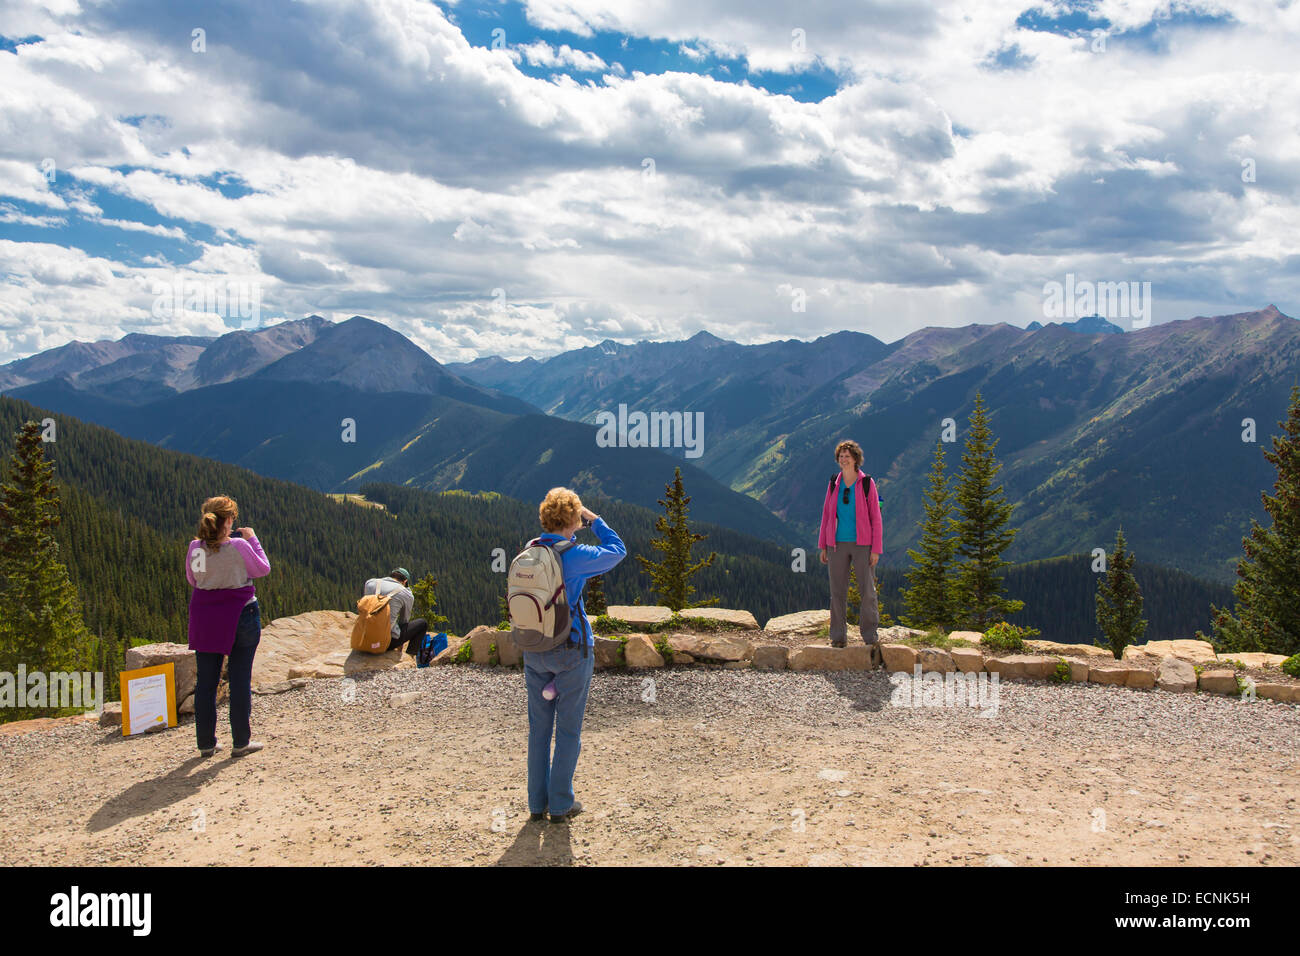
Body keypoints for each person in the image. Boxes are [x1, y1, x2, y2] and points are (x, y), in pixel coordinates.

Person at [524, 487, 625, 824]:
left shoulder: (530, 551)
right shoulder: (575, 554)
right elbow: (617, 551)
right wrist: (595, 521)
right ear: (572, 519)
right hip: (571, 649)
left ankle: (537, 804)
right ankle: (561, 804)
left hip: (534, 649)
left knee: (539, 730)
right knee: (567, 731)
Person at [186, 495, 271, 757]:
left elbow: (194, 579)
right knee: (240, 678)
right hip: (241, 614)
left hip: (206, 618)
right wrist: (253, 539)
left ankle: (206, 744)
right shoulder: (239, 546)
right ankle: (241, 742)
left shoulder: (196, 548)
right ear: (229, 520)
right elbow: (262, 569)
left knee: (206, 682)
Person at [818, 439, 883, 647]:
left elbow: (876, 518)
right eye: (841, 456)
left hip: (863, 544)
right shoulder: (833, 483)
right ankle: (838, 637)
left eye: (848, 456)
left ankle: (870, 637)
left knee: (867, 591)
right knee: (837, 592)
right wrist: (823, 545)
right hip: (836, 544)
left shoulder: (866, 483)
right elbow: (827, 515)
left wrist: (876, 549)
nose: (844, 459)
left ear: (856, 459)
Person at [362, 568, 428, 655]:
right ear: (405, 581)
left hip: (363, 641)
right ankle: (410, 655)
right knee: (422, 623)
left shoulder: (370, 583)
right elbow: (404, 621)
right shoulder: (406, 593)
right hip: (383, 644)